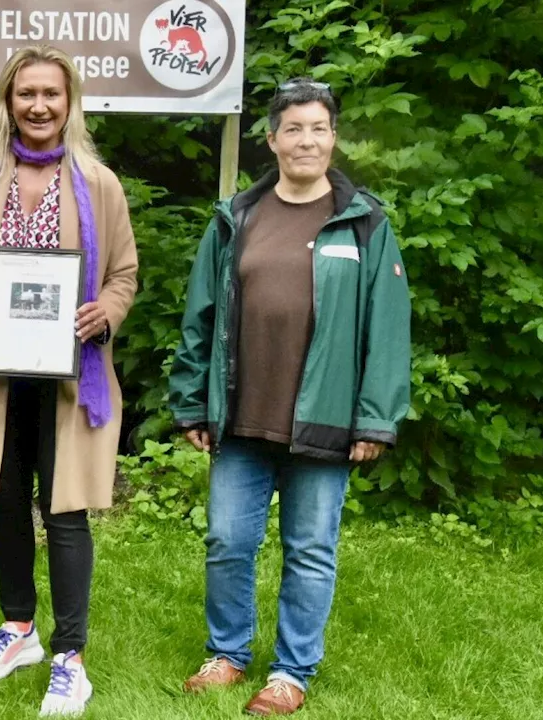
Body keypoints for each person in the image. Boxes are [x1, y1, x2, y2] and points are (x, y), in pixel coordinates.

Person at [168, 78, 412, 716]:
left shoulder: (365, 222)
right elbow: (201, 315)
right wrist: (192, 399)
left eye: (320, 128)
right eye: (294, 129)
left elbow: (387, 330)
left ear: (334, 138)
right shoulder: (237, 217)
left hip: (326, 422)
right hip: (243, 417)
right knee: (226, 539)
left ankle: (290, 673)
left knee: (310, 549)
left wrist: (375, 419)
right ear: (272, 140)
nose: (307, 140)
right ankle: (226, 654)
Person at [0, 45, 138, 718]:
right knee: (4, 500)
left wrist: (104, 312)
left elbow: (124, 275)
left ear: (69, 102)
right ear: (7, 102)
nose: (39, 105)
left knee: (66, 510)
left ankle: (69, 657)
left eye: (51, 93)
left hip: (70, 376)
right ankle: (18, 627)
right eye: (26, 94)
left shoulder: (98, 184)